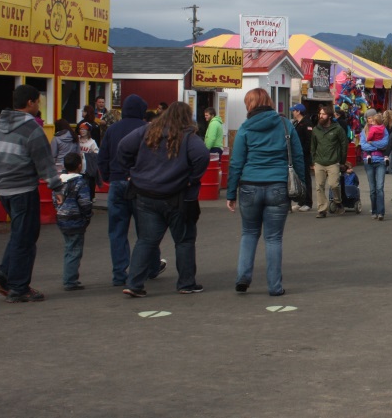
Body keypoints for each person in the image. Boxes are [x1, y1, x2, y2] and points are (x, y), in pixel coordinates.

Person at [117, 102, 210, 297]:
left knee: (146, 240)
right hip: (176, 195)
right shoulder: (188, 137)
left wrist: (131, 171)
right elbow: (202, 156)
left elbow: (123, 147)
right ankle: (186, 283)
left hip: (144, 193)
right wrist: (191, 179)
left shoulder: (148, 131)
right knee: (184, 240)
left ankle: (134, 284)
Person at [0, 84, 63, 303]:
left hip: (3, 188)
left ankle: (3, 274)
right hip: (23, 189)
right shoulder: (32, 128)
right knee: (26, 238)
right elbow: (44, 162)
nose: (39, 106)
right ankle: (19, 288)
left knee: (20, 233)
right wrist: (56, 187)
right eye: (38, 101)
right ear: (30, 103)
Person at [226, 88, 303, 296]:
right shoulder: (285, 125)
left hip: (249, 186)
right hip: (278, 186)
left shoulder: (245, 128)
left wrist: (231, 193)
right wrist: (301, 187)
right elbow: (298, 157)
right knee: (274, 238)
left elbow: (236, 163)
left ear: (249, 105)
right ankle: (275, 287)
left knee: (249, 233)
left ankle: (243, 277)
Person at [99, 94, 165, 287]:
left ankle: (119, 273)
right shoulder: (147, 129)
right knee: (146, 229)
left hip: (117, 183)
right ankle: (151, 267)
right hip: (140, 184)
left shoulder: (112, 129)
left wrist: (107, 176)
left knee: (117, 231)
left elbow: (103, 157)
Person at [54, 152, 93, 292]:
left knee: (69, 247)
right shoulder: (80, 182)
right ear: (79, 165)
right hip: (76, 220)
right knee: (75, 250)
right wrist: (88, 216)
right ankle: (70, 280)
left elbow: (55, 200)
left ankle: (69, 277)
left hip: (62, 218)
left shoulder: (59, 181)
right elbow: (85, 203)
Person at [311, 105, 349, 218]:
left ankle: (338, 201)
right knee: (319, 186)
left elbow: (344, 144)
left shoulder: (337, 129)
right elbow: (313, 146)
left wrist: (342, 161)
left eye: (323, 114)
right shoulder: (316, 130)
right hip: (319, 162)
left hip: (333, 161)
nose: (320, 116)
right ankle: (322, 209)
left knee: (334, 184)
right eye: (320, 114)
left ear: (330, 116)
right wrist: (313, 161)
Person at [360, 110, 389, 220]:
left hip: (380, 160)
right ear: (367, 119)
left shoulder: (383, 129)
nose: (371, 120)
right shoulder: (364, 131)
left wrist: (372, 143)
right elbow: (363, 146)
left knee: (379, 187)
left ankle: (381, 212)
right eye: (369, 118)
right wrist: (378, 147)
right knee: (372, 189)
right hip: (369, 162)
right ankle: (374, 210)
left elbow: (385, 143)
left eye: (373, 118)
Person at [290, 103, 314, 211]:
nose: (293, 112)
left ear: (298, 111)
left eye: (294, 110)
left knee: (306, 178)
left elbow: (309, 141)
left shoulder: (307, 123)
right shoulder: (296, 123)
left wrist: (302, 151)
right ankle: (301, 200)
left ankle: (308, 202)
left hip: (304, 155)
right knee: (299, 177)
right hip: (297, 155)